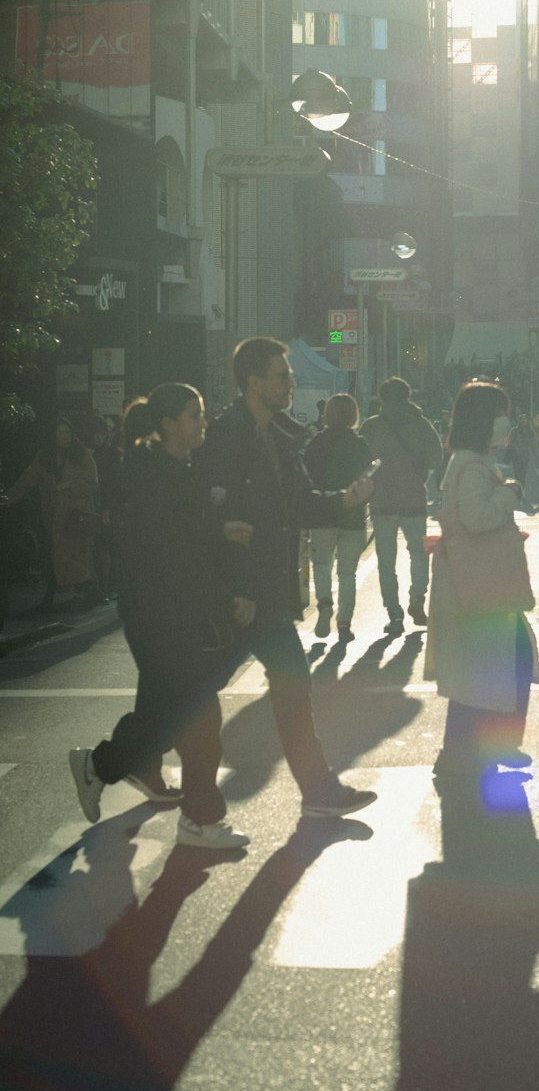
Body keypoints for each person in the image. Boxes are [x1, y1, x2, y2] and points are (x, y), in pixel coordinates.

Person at [196, 336, 377, 820]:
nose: (290, 384)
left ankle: (318, 790)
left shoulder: (279, 435)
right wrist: (235, 589)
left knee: (289, 684)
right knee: (188, 696)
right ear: (255, 383)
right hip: (240, 593)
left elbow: (298, 502)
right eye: (281, 376)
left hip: (267, 592)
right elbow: (216, 518)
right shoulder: (229, 435)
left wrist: (345, 498)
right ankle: (113, 764)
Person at [69, 384, 252, 850]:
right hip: (160, 612)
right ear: (168, 423)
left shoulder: (172, 468)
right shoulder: (153, 475)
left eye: (203, 413)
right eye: (195, 415)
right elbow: (170, 553)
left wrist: (217, 531)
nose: (202, 422)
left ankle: (102, 765)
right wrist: (224, 595)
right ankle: (199, 820)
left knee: (159, 714)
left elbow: (182, 538)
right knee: (202, 719)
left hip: (167, 610)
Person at [426, 382, 539, 780]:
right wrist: (511, 493)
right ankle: (480, 750)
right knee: (502, 664)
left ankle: (473, 750)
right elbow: (476, 517)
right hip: (478, 584)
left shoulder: (467, 460)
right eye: (499, 413)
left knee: (482, 669)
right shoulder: (472, 466)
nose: (506, 421)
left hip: (474, 581)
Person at [360, 376, 443, 634]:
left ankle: (394, 614)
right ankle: (417, 599)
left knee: (385, 560)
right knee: (418, 553)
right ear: (408, 396)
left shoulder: (372, 426)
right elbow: (436, 458)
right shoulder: (421, 424)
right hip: (413, 498)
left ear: (382, 398)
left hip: (382, 499)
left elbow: (361, 461)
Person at [5, 417, 100, 611]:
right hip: (54, 515)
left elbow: (92, 483)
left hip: (76, 515)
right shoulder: (44, 458)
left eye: (67, 432)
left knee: (76, 557)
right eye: (60, 433)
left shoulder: (82, 456)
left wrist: (70, 485)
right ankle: (76, 593)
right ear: (52, 437)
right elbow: (27, 480)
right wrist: (8, 498)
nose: (65, 437)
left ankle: (81, 593)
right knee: (57, 556)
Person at [304, 393, 372, 641]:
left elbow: (306, 478)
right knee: (347, 573)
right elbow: (368, 478)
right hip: (352, 515)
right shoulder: (360, 444)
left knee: (322, 564)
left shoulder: (317, 443)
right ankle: (344, 623)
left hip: (322, 513)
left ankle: (324, 604)